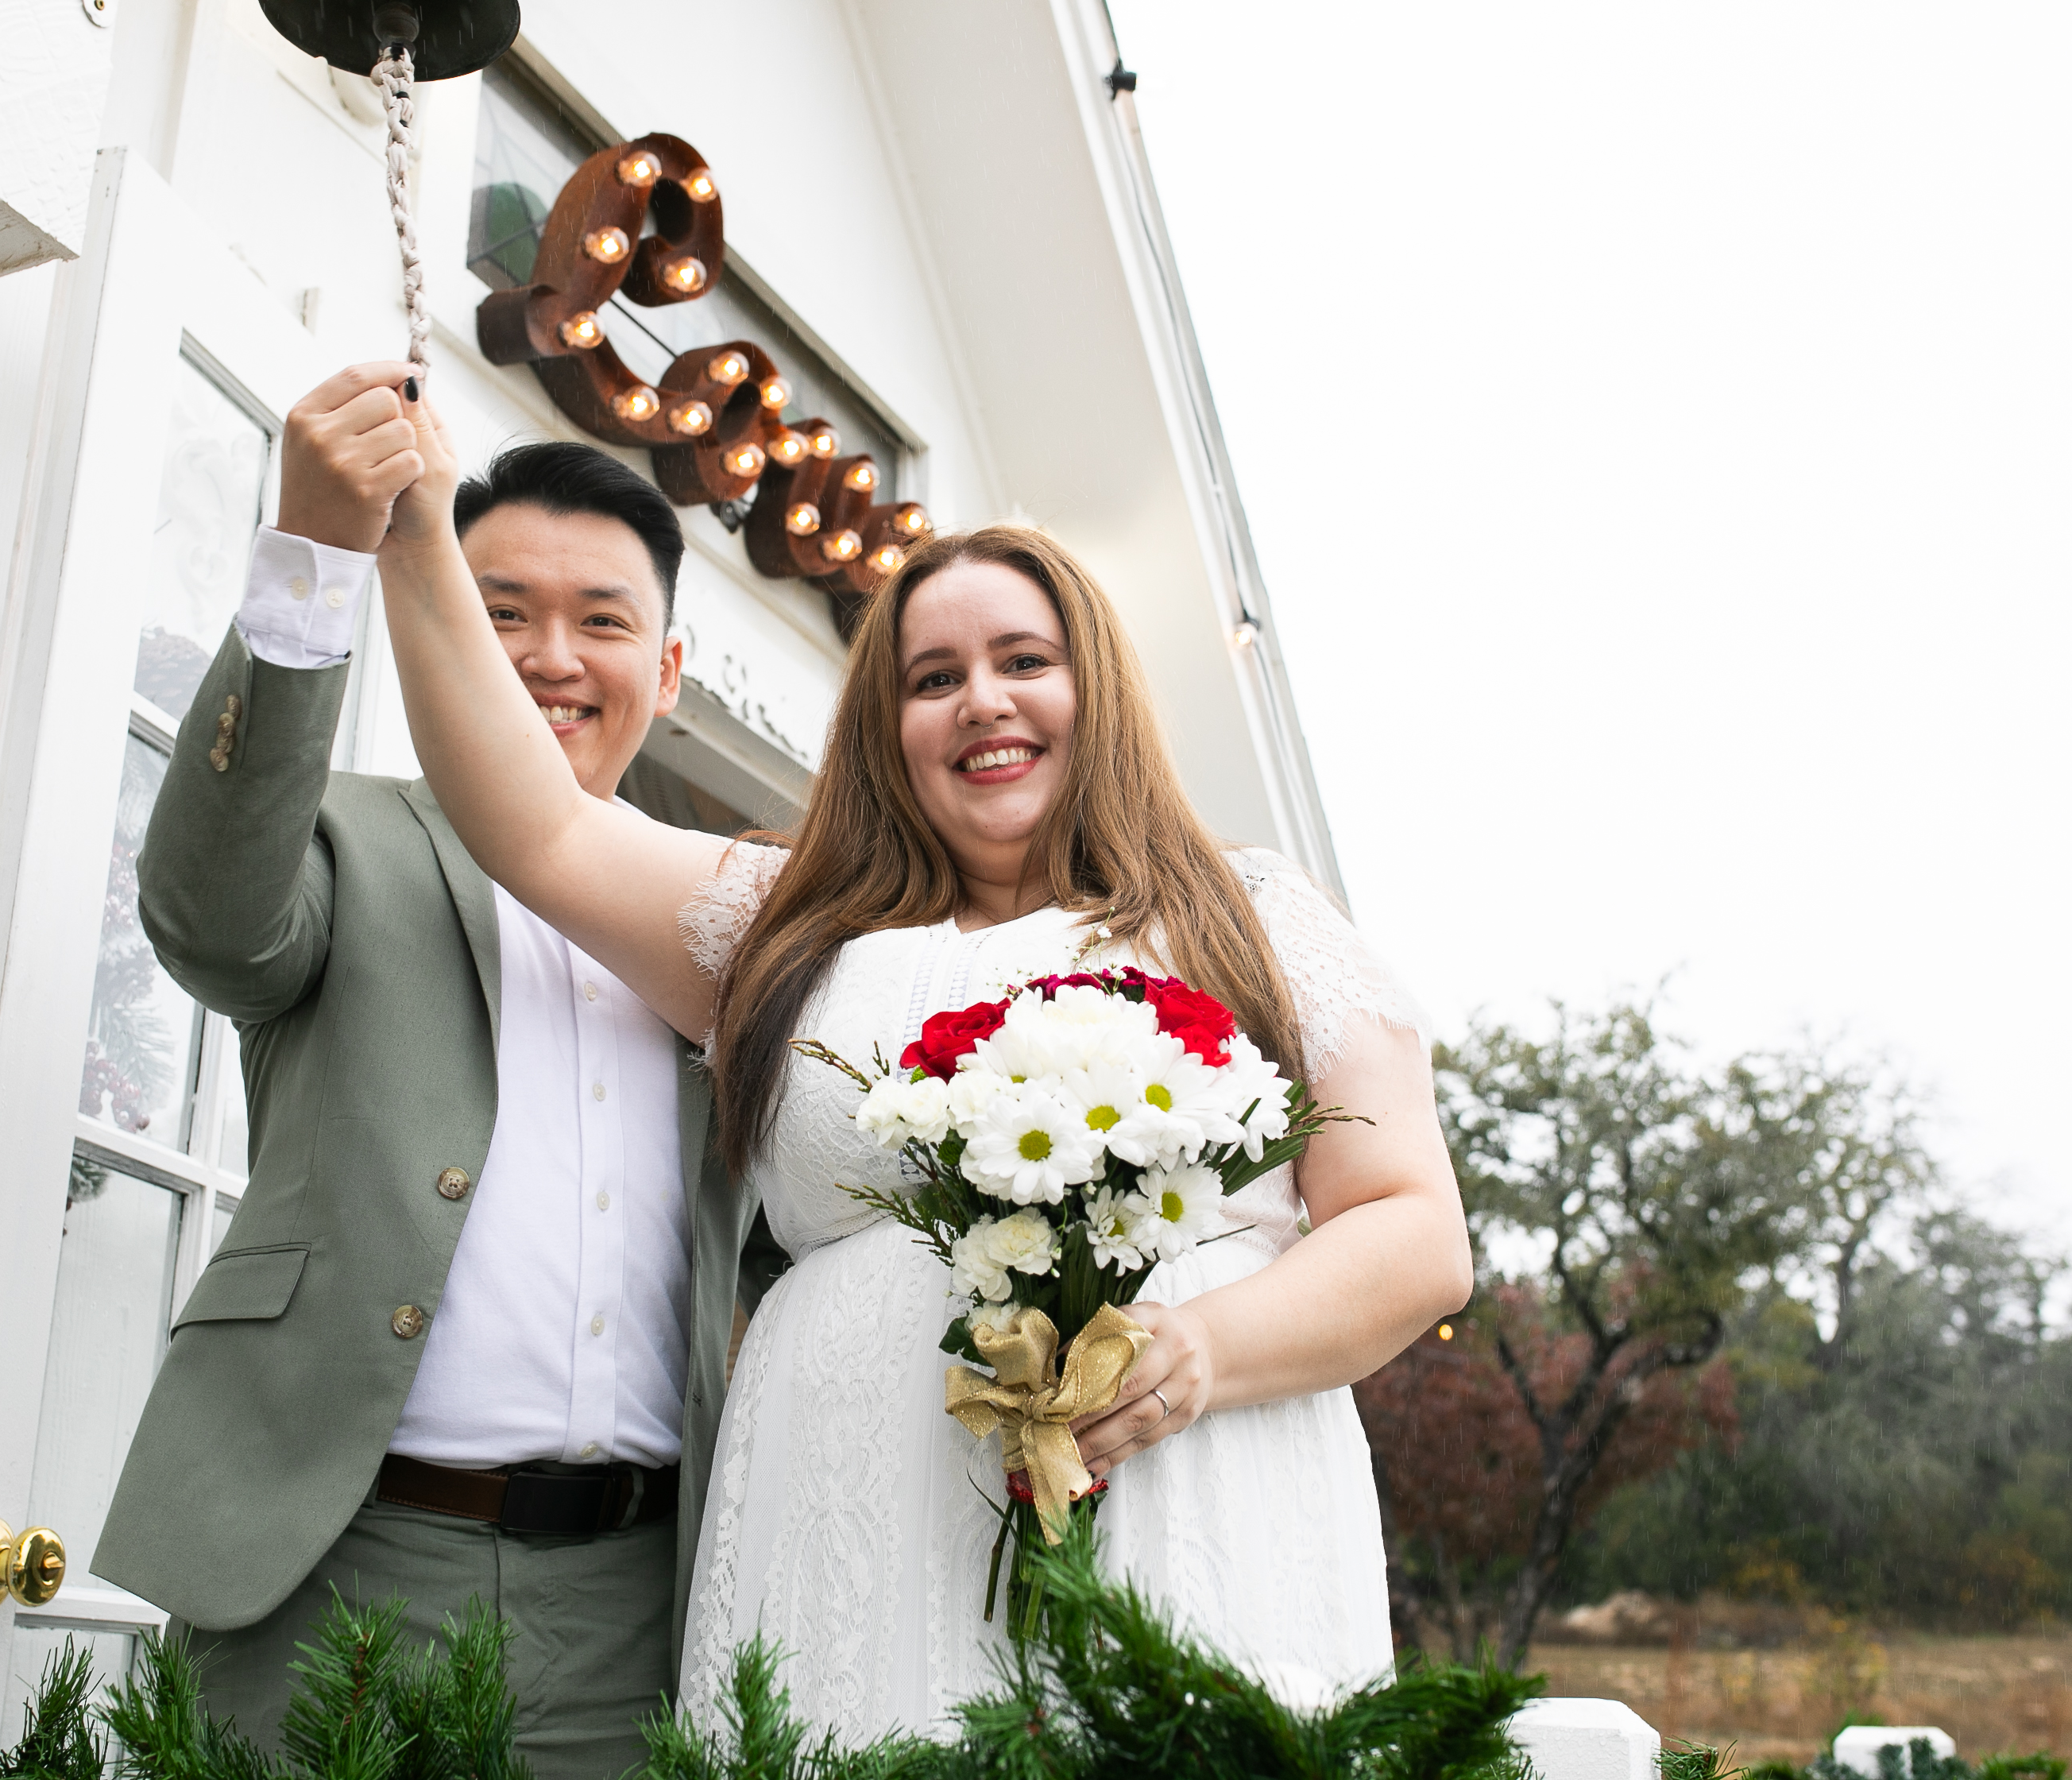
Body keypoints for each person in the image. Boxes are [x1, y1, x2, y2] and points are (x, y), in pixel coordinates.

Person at [355, 368, 1473, 1737]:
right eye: (931, 679)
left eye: (1023, 661)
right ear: (888, 730)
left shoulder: (1248, 916)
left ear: (1096, 688)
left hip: (1190, 1512)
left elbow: (1416, 1233)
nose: (980, 704)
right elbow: (539, 827)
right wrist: (413, 535)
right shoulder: (787, 933)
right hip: (842, 1543)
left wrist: (1200, 1351)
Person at [89, 373, 778, 1780]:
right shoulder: (338, 840)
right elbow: (209, 914)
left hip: (637, 1599)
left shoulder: (735, 923)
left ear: (670, 667)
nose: (549, 656)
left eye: (602, 622)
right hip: (332, 1563)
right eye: (503, 609)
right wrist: (312, 555)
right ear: (441, 621)